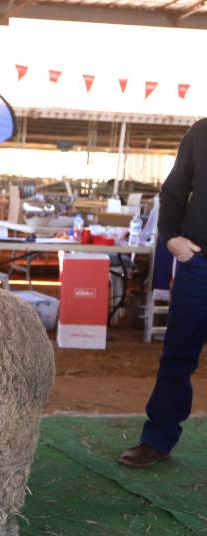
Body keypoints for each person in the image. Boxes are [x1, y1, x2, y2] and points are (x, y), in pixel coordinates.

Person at [117, 121, 207, 468]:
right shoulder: (201, 133)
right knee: (178, 356)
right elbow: (173, 191)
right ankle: (157, 439)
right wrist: (170, 237)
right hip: (199, 264)